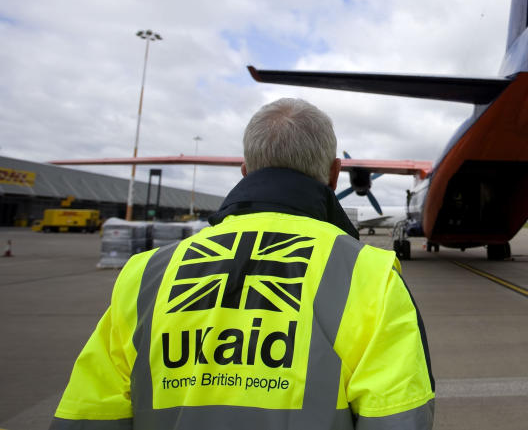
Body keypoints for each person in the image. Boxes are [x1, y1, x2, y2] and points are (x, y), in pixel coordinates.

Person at [51, 98, 435, 429]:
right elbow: (399, 418)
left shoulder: (144, 276)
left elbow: (87, 416)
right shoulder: (371, 277)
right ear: (335, 174)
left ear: (245, 171)